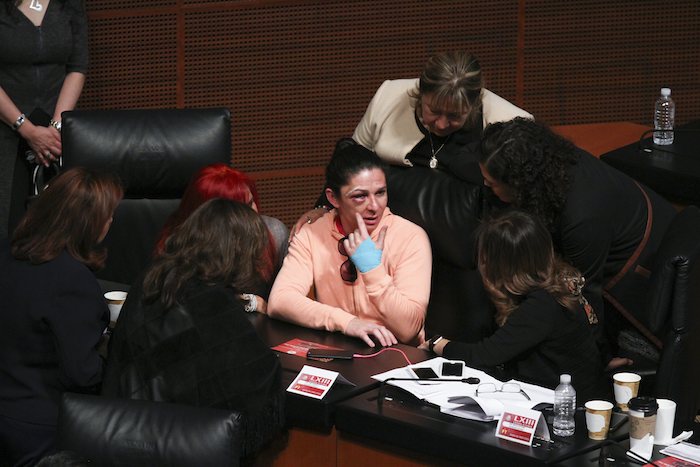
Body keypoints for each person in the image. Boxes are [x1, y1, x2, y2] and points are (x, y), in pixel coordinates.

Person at [479, 117, 677, 366]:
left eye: (492, 183)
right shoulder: (552, 166)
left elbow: (584, 296)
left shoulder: (581, 218)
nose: (485, 186)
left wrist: (599, 359)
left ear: (520, 184)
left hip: (643, 270)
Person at [102, 199, 285, 461]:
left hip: (123, 432)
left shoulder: (153, 278)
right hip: (179, 445)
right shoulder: (211, 303)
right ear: (239, 252)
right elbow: (254, 387)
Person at [297, 50, 532, 229]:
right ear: (420, 94)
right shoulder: (388, 97)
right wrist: (323, 207)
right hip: (390, 226)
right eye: (434, 111)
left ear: (474, 105)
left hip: (469, 234)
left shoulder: (511, 124)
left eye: (454, 116)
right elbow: (351, 162)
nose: (441, 124)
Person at [0, 167, 122, 466]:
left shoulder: (7, 252)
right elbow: (82, 374)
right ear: (88, 223)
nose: (111, 220)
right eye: (108, 214)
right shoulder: (72, 280)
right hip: (37, 432)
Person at [422, 210, 606, 402]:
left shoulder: (541, 305)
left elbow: (485, 355)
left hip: (565, 409)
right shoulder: (560, 282)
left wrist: (436, 343)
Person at [268, 144, 432, 346]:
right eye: (360, 196)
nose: (374, 206)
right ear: (333, 198)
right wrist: (347, 322)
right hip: (339, 348)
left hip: (396, 354)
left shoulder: (410, 237)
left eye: (380, 193)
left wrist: (373, 270)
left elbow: (409, 330)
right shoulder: (312, 234)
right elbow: (280, 301)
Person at [0, 0, 89, 240]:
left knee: (63, 226)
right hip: (7, 128)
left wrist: (57, 126)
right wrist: (27, 130)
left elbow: (77, 66)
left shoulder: (70, 5)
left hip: (57, 131)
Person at [155, 163, 289, 312]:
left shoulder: (274, 233)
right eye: (241, 209)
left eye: (251, 203)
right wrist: (250, 302)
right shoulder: (182, 242)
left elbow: (288, 301)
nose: (253, 214)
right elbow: (189, 303)